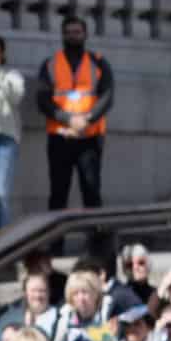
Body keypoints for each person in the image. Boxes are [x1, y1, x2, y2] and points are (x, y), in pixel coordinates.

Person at [35, 16, 112, 211]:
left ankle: (97, 241)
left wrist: (87, 119)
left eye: (77, 32)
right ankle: (55, 242)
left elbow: (107, 96)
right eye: (68, 33)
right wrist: (68, 120)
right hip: (60, 137)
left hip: (90, 138)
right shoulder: (50, 64)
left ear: (85, 35)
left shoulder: (99, 62)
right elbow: (43, 100)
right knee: (58, 194)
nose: (72, 37)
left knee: (92, 192)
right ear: (62, 35)